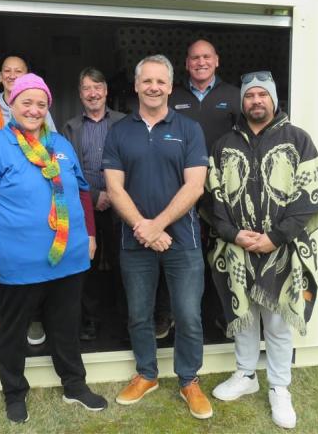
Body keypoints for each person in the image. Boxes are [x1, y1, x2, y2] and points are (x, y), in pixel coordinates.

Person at [0, 73, 107, 424]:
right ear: (12, 104)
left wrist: (89, 234)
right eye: (27, 102)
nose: (34, 109)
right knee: (12, 332)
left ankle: (74, 385)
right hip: (17, 262)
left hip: (68, 258)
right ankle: (14, 393)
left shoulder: (60, 144)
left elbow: (82, 191)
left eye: (41, 104)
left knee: (66, 326)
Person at [202, 71, 318, 429]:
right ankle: (246, 376)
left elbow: (311, 197)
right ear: (242, 102)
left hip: (282, 250)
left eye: (263, 95)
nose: (256, 101)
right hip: (239, 250)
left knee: (278, 323)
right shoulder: (223, 143)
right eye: (250, 96)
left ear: (274, 100)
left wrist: (276, 237)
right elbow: (212, 198)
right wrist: (232, 233)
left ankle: (279, 387)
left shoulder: (298, 140)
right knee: (244, 317)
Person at [103, 55, 213, 419]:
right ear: (136, 86)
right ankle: (147, 374)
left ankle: (188, 380)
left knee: (187, 314)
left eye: (160, 82)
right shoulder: (119, 131)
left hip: (183, 240)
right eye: (146, 81)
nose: (153, 87)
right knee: (139, 314)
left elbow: (195, 185)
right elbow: (114, 189)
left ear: (170, 86)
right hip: (135, 240)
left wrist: (158, 225)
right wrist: (145, 230)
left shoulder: (189, 129)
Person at [0, 54, 55, 347]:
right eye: (7, 71)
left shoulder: (39, 104)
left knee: (38, 256)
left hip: (34, 191)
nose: (13, 75)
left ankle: (35, 317)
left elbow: (50, 141)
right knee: (1, 260)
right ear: (0, 76)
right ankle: (1, 320)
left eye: (19, 71)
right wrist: (0, 155)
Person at [163, 38, 242, 338]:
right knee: (179, 252)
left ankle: (222, 316)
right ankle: (171, 315)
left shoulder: (234, 96)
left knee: (221, 253)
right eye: (194, 57)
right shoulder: (173, 96)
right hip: (179, 190)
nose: (200, 62)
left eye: (206, 57)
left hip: (221, 193)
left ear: (217, 60)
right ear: (186, 63)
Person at [62, 67, 126, 341]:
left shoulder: (125, 123)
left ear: (106, 91)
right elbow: (66, 170)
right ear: (80, 94)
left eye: (97, 87)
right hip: (83, 205)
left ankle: (127, 319)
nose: (92, 93)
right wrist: (94, 195)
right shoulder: (70, 127)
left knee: (124, 263)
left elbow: (132, 161)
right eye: (87, 88)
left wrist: (112, 193)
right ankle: (90, 320)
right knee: (85, 264)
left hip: (121, 205)